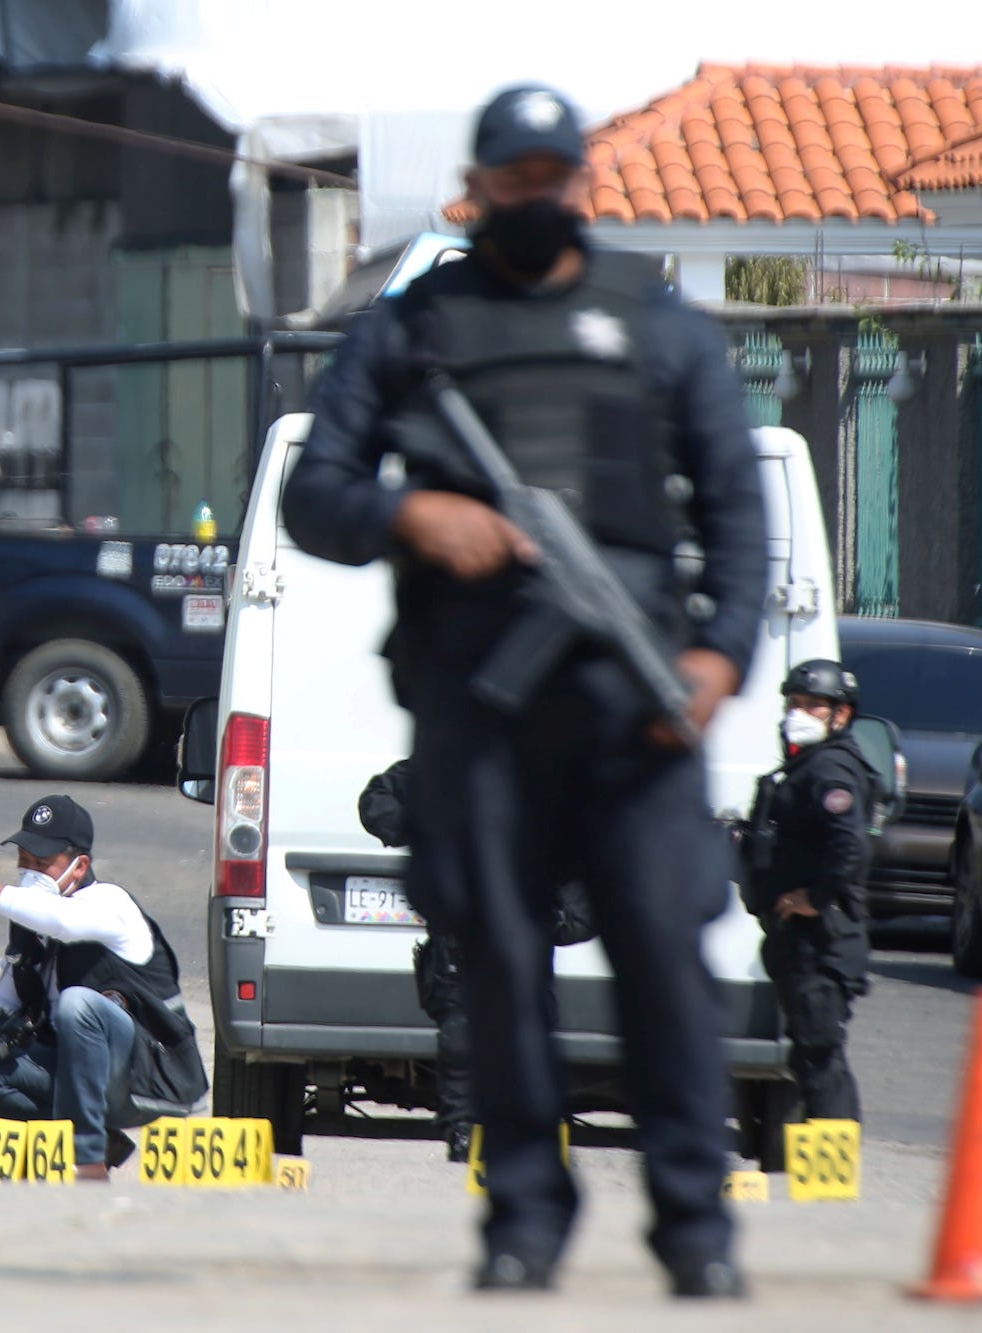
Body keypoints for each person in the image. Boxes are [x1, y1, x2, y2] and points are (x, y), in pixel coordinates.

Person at [281, 84, 768, 1296]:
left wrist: (717, 660)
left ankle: (693, 1232)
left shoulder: (656, 327)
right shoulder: (414, 328)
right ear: (479, 184)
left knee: (663, 955)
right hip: (480, 710)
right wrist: (410, 511)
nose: (537, 194)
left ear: (581, 185)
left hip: (633, 710)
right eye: (516, 176)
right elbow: (313, 489)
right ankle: (522, 1221)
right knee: (496, 962)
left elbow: (737, 517)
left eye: (557, 174)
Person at [0, 795, 208, 1179]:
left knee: (78, 1004)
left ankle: (88, 1160)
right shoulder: (30, 921)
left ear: (80, 866)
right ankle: (85, 1135)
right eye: (24, 862)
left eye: (42, 864)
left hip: (148, 1077)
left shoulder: (109, 903)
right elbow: (7, 997)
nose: (30, 873)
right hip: (81, 1079)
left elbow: (64, 922)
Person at [359, 760, 596, 1163]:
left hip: (524, 931)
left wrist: (560, 914)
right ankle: (462, 1129)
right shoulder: (455, 758)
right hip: (461, 932)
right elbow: (377, 801)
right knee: (460, 1034)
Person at [741, 660, 876, 1123]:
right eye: (793, 704)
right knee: (810, 1053)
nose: (799, 713)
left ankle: (831, 1175)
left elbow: (849, 844)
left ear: (841, 715)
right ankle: (821, 1164)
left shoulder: (832, 769)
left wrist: (813, 899)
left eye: (812, 706)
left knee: (821, 1055)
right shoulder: (806, 765)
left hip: (823, 938)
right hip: (801, 941)